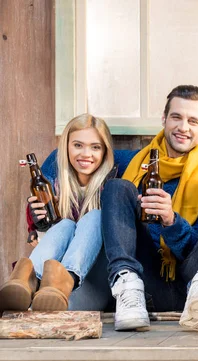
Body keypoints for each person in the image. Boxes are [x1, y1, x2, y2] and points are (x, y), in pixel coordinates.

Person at [101, 85, 198, 332]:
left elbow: (196, 248)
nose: (183, 127)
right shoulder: (133, 162)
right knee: (117, 188)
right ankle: (126, 283)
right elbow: (69, 153)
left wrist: (171, 221)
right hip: (146, 285)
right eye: (176, 117)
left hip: (190, 286)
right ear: (164, 119)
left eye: (193, 121)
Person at [0, 114, 116, 313]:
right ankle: (27, 282)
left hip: (87, 286)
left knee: (95, 217)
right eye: (78, 145)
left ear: (105, 151)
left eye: (95, 147)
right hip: (46, 292)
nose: (86, 154)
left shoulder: (113, 187)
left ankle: (64, 280)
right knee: (64, 225)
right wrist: (40, 226)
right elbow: (41, 242)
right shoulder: (53, 189)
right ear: (66, 147)